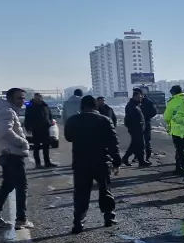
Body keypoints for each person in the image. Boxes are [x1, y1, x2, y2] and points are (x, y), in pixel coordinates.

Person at [65, 96, 121, 233]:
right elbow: (113, 143)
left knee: (81, 193)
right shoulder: (105, 120)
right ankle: (109, 217)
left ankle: (78, 222)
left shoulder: (73, 120)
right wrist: (117, 161)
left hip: (81, 162)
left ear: (82, 106)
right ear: (95, 106)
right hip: (101, 161)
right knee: (105, 190)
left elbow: (68, 137)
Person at [0, 88, 33, 229]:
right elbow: (5, 132)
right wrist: (23, 142)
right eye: (19, 98)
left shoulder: (3, 111)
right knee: (21, 186)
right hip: (12, 154)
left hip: (6, 154)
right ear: (10, 99)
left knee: (8, 185)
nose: (22, 101)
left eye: (23, 98)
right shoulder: (8, 112)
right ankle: (21, 219)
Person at [24, 92, 57, 169]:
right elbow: (27, 118)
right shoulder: (31, 106)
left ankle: (47, 162)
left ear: (41, 98)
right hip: (36, 129)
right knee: (37, 147)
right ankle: (38, 164)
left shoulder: (45, 105)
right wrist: (28, 128)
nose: (38, 99)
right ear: (34, 98)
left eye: (39, 98)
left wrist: (50, 121)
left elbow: (49, 114)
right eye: (36, 98)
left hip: (45, 128)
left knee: (46, 146)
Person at [122, 89, 150, 167]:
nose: (140, 99)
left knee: (135, 145)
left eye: (140, 97)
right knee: (140, 145)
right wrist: (136, 126)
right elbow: (129, 118)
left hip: (139, 129)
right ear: (134, 97)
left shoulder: (136, 105)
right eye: (138, 97)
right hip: (135, 129)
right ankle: (141, 161)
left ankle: (126, 158)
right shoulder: (131, 106)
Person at [162, 85, 184, 175]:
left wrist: (170, 123)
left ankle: (179, 168)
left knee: (179, 150)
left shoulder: (173, 101)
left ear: (174, 92)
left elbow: (167, 117)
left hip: (177, 130)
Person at [140, 90, 158, 158]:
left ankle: (147, 156)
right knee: (138, 140)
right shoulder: (135, 102)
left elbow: (154, 111)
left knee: (147, 140)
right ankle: (139, 156)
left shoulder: (148, 102)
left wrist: (147, 117)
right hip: (138, 124)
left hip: (146, 123)